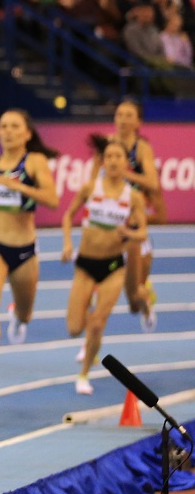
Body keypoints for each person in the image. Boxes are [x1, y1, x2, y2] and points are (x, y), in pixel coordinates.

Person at [0, 110, 59, 388]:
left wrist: (18, 187)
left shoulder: (34, 162)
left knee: (25, 312)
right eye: (3, 126)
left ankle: (18, 319)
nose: (8, 131)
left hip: (24, 250)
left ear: (27, 133)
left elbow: (52, 199)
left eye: (14, 126)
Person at [62, 139, 149, 395]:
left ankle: (84, 374)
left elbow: (143, 232)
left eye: (117, 156)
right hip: (86, 264)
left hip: (113, 265)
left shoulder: (133, 196)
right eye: (108, 156)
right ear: (103, 161)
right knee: (74, 328)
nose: (112, 161)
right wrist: (67, 244)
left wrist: (129, 234)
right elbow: (68, 216)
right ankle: (89, 339)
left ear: (126, 163)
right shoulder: (90, 187)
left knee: (98, 324)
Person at [90, 100, 163, 333]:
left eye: (129, 115)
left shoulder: (141, 149)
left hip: (132, 229)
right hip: (106, 229)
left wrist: (125, 173)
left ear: (138, 122)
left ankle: (146, 302)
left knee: (134, 300)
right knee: (92, 285)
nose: (122, 119)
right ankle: (89, 345)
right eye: (119, 114)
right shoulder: (105, 146)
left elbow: (152, 182)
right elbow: (91, 185)